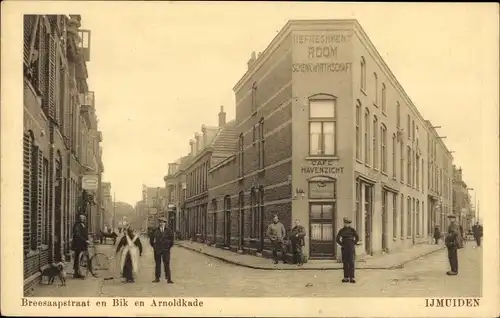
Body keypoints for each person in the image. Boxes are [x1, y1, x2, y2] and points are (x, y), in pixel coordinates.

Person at [149, 217, 174, 283]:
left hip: (166, 250)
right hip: (157, 250)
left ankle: (169, 279)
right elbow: (151, 241)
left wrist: (168, 247)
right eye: (160, 222)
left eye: (163, 222)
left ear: (165, 223)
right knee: (157, 264)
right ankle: (157, 278)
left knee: (167, 264)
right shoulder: (155, 230)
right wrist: (154, 247)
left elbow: (172, 240)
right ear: (159, 223)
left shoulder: (169, 231)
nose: (161, 223)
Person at [336, 217, 359, 283]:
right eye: (345, 223)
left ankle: (352, 278)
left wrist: (353, 243)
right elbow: (337, 239)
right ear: (344, 223)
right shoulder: (341, 230)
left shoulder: (352, 230)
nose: (346, 224)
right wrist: (342, 244)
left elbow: (357, 237)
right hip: (344, 248)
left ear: (349, 224)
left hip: (351, 248)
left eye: (348, 223)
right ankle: (346, 277)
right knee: (345, 262)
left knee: (351, 262)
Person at [71, 214, 89, 279]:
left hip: (83, 245)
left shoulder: (83, 225)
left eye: (84, 218)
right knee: (77, 259)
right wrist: (85, 240)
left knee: (81, 259)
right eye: (81, 218)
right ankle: (77, 273)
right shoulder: (77, 225)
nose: (83, 219)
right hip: (78, 245)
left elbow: (85, 234)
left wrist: (87, 240)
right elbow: (78, 235)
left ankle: (78, 273)